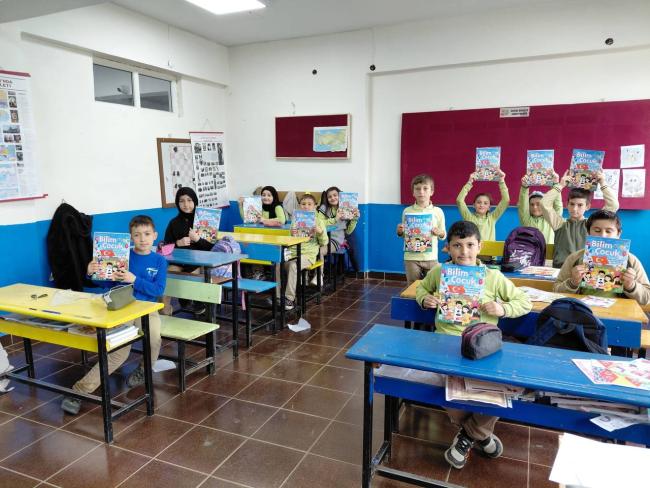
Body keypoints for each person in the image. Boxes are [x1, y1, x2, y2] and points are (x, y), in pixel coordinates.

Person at [415, 221, 532, 469]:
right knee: (448, 387)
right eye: (457, 246)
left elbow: (524, 301)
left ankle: (468, 436)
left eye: (470, 245)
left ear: (480, 246)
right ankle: (480, 434)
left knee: (500, 391)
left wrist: (503, 308)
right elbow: (421, 288)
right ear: (448, 248)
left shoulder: (493, 277)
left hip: (483, 345)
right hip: (445, 341)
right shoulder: (440, 272)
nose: (464, 251)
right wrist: (425, 299)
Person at [61, 215, 167, 415]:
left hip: (147, 309)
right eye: (137, 235)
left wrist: (134, 280)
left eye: (146, 234)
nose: (142, 239)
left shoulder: (159, 261)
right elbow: (105, 283)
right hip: (121, 308)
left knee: (154, 338)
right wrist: (92, 272)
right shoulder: (122, 256)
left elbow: (158, 289)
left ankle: (144, 369)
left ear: (154, 235)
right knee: (119, 352)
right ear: (131, 237)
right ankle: (79, 391)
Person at [554, 210, 650, 305]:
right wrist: (572, 282)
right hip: (582, 310)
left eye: (608, 231)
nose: (603, 235)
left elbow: (647, 298)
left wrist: (631, 286)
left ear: (618, 234)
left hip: (619, 311)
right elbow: (556, 291)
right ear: (588, 232)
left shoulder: (631, 260)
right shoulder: (574, 258)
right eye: (597, 230)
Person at [541, 170, 619, 268]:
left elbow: (613, 205)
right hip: (561, 270)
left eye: (580, 205)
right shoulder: (559, 223)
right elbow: (544, 203)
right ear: (567, 204)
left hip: (585, 271)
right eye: (572, 204)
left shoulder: (592, 224)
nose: (574, 209)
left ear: (587, 206)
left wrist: (603, 183)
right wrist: (560, 185)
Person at [162, 187, 213, 314]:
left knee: (192, 274)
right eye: (182, 201)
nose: (186, 204)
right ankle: (165, 310)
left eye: (189, 200)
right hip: (179, 262)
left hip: (198, 262)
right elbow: (165, 248)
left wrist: (198, 239)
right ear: (177, 203)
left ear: (195, 201)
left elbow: (212, 248)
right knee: (168, 275)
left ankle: (194, 301)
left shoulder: (205, 221)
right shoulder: (173, 223)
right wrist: (177, 243)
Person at [396, 174, 446, 285]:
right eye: (417, 189)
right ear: (413, 193)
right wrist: (400, 232)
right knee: (413, 287)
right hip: (411, 257)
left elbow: (443, 235)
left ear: (431, 192)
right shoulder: (407, 211)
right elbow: (405, 235)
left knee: (432, 286)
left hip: (431, 257)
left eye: (425, 188)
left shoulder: (438, 212)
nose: (421, 192)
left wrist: (439, 232)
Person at [282, 193, 328, 310]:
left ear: (315, 206)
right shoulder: (295, 220)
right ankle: (278, 297)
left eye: (309, 204)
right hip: (292, 253)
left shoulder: (319, 221)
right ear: (299, 206)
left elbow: (324, 242)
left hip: (307, 255)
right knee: (277, 264)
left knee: (293, 265)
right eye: (303, 204)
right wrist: (292, 234)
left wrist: (320, 232)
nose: (306, 206)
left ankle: (289, 299)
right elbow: (289, 240)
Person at [317, 186, 360, 280]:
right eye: (329, 197)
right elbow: (319, 223)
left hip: (335, 239)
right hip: (320, 238)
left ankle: (319, 278)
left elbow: (348, 231)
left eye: (335, 195)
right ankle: (306, 278)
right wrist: (335, 219)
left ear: (340, 196)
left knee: (319, 252)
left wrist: (355, 219)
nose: (332, 198)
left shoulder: (347, 208)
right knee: (307, 250)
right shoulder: (324, 208)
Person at [518, 174, 562, 244]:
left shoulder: (551, 220)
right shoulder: (526, 220)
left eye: (538, 204)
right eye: (532, 204)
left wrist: (555, 184)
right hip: (531, 251)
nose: (535, 207)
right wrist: (524, 187)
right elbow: (523, 204)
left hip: (549, 251)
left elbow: (557, 205)